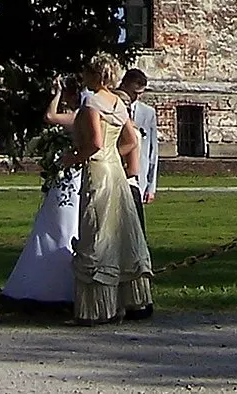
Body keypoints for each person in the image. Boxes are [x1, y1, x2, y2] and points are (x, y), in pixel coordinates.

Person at [69, 53, 153, 325]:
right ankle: (131, 300)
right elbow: (132, 139)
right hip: (115, 169)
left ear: (94, 74)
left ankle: (96, 309)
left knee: (97, 232)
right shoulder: (118, 103)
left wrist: (71, 158)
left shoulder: (92, 103)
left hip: (98, 169)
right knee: (120, 232)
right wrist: (114, 154)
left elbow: (93, 143)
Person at [0, 76, 83, 307]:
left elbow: (49, 116)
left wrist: (55, 94)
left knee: (62, 223)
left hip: (71, 173)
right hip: (68, 173)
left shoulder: (80, 116)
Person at [120, 68, 158, 222]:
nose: (137, 97)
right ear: (124, 85)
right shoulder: (112, 107)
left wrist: (151, 186)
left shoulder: (148, 113)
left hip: (139, 177)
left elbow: (152, 150)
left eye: (140, 93)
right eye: (134, 92)